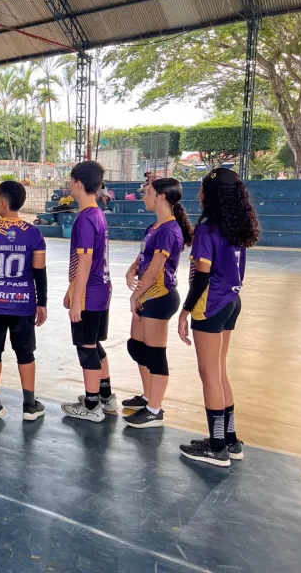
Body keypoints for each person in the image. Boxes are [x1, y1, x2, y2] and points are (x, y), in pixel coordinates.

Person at [178, 168, 260, 467]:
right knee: (220, 370)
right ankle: (229, 438)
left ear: (211, 196)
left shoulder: (208, 229)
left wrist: (185, 311)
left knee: (209, 374)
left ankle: (216, 447)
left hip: (210, 304)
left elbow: (201, 276)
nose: (199, 194)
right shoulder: (236, 226)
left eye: (202, 189)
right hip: (231, 300)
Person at [0, 180, 48, 421]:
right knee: (25, 352)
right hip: (23, 302)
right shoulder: (34, 233)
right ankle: (29, 404)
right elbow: (39, 272)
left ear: (2, 203)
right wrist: (41, 303)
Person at [122, 178, 193, 428]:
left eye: (149, 193)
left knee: (155, 354)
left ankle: (155, 409)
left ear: (162, 197)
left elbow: (154, 272)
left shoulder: (169, 230)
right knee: (136, 346)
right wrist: (131, 270)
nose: (145, 196)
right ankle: (147, 396)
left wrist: (135, 296)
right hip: (146, 294)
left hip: (159, 296)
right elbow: (143, 258)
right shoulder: (154, 227)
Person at [60, 161, 116, 422]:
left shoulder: (84, 219)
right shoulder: (98, 214)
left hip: (90, 294)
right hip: (100, 290)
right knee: (95, 344)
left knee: (86, 347)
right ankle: (105, 396)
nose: (69, 185)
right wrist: (72, 291)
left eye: (71, 181)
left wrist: (76, 300)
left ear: (79, 184)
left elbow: (84, 262)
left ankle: (92, 405)